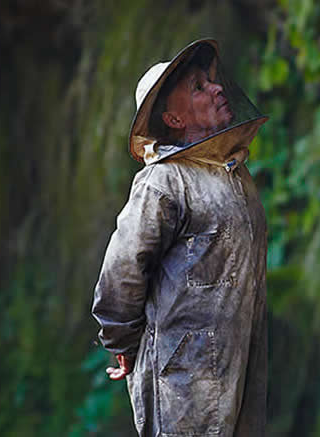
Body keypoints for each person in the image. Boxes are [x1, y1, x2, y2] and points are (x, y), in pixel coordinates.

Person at [91, 39, 269, 437]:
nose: (217, 89)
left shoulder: (234, 176)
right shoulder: (164, 181)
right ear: (172, 118)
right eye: (198, 88)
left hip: (240, 357)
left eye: (211, 81)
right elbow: (122, 267)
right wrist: (118, 338)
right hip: (186, 375)